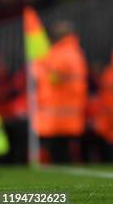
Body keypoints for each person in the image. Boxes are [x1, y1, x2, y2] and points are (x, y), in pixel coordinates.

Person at [33, 21, 88, 163]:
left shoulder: (61, 53)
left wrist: (38, 66)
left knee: (59, 152)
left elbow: (54, 78)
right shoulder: (74, 52)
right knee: (63, 150)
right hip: (68, 110)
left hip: (57, 112)